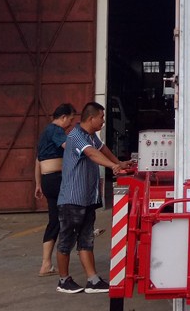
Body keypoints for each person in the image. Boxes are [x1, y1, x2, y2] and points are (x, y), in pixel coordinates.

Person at [56, 102, 134, 295]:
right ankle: (63, 280)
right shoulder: (75, 136)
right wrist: (112, 167)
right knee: (66, 240)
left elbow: (102, 149)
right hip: (72, 198)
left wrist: (119, 163)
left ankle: (92, 280)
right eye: (101, 117)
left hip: (87, 198)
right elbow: (92, 153)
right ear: (91, 119)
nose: (103, 120)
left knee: (86, 239)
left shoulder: (91, 136)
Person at [34, 102, 79, 276]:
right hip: (57, 179)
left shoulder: (45, 133)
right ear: (63, 117)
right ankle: (81, 230)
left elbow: (38, 161)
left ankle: (46, 264)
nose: (71, 123)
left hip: (47, 180)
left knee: (54, 220)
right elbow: (70, 148)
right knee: (70, 212)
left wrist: (38, 184)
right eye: (71, 119)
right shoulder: (56, 130)